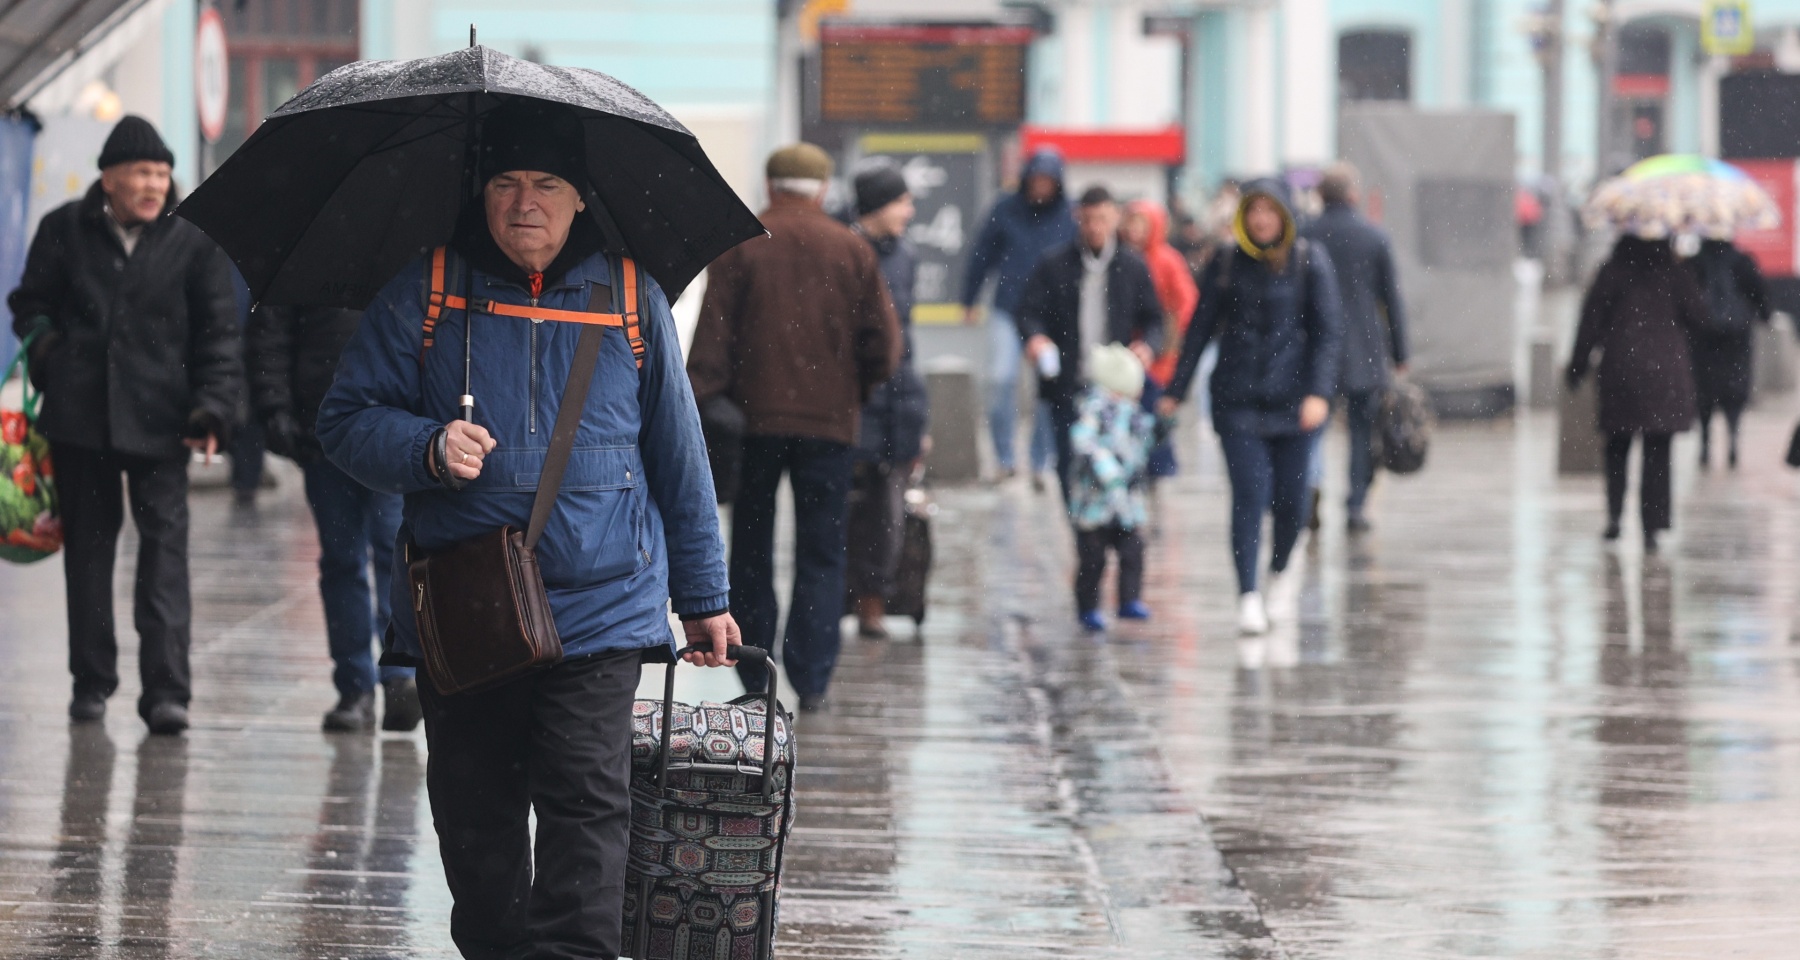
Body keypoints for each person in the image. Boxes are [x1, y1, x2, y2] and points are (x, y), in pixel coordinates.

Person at [316, 100, 742, 959]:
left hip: (604, 609)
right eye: (506, 183)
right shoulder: (429, 289)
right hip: (469, 613)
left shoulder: (629, 296)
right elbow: (345, 421)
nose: (525, 204)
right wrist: (427, 446)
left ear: (581, 197)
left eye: (547, 184)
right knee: (478, 825)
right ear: (481, 195)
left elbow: (678, 455)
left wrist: (703, 595)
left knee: (590, 806)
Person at [8, 115, 241, 735]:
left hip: (163, 423)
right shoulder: (64, 230)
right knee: (87, 556)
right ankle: (91, 683)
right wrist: (49, 354)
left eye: (161, 173)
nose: (153, 185)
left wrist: (213, 407)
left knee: (164, 561)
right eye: (141, 172)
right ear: (108, 177)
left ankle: (167, 692)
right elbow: (28, 304)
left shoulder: (193, 238)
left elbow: (219, 333)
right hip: (79, 422)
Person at [688, 143, 902, 712]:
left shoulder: (740, 246)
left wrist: (711, 400)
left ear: (769, 183)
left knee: (752, 549)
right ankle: (812, 679)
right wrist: (850, 392)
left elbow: (709, 347)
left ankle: (756, 678)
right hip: (830, 426)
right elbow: (884, 346)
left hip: (752, 427)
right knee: (822, 552)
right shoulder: (851, 248)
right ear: (824, 190)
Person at [1159, 179, 1344, 636]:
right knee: (1249, 496)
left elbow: (1328, 333)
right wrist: (1175, 391)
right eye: (1253, 210)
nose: (1261, 219)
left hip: (1295, 404)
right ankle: (1247, 594)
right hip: (1237, 402)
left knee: (1291, 502)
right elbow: (1199, 329)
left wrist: (1319, 393)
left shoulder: (1309, 261)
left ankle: (1280, 573)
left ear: (1284, 215)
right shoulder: (1226, 262)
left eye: (1270, 210)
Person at [247, 303, 420, 732]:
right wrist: (275, 408)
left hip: (390, 429)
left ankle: (397, 677)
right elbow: (271, 332)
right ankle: (357, 685)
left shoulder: (411, 255)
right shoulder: (307, 266)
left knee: (392, 555)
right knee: (347, 559)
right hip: (323, 429)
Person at [1017, 186, 1165, 502]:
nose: (1095, 227)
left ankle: (1114, 534)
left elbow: (1154, 319)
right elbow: (1029, 311)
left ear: (1114, 218)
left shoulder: (1132, 266)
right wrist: (1037, 338)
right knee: (1069, 464)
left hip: (1116, 389)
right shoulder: (1054, 264)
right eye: (1087, 220)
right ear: (1077, 219)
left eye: (1101, 219)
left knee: (1118, 465)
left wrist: (1147, 347)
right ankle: (1083, 538)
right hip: (1068, 383)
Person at [1568, 234, 1705, 552]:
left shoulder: (1612, 270)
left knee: (1617, 445)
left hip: (1621, 368)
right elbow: (1701, 317)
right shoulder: (1673, 271)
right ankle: (1652, 528)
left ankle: (1615, 516)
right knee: (1658, 451)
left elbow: (1589, 321)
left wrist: (1578, 365)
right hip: (1665, 373)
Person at [845, 160, 930, 640]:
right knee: (850, 511)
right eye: (902, 201)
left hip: (898, 398)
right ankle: (850, 600)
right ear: (878, 205)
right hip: (856, 400)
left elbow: (908, 339)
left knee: (887, 513)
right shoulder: (846, 250)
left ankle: (873, 602)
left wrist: (919, 416)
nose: (910, 210)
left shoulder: (905, 256)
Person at [1300, 162, 1410, 532]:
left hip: (1314, 348)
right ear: (1353, 194)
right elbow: (1391, 299)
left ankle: (1310, 486)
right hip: (1363, 348)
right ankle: (1356, 504)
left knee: (1312, 427)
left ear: (1319, 195)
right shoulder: (1373, 237)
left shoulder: (1305, 235)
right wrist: (1400, 352)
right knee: (1362, 432)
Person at [962, 148, 1075, 487]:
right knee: (1000, 381)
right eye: (1036, 179)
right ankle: (1004, 458)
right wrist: (969, 297)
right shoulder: (1006, 209)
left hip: (1050, 317)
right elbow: (982, 253)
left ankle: (1042, 461)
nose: (1041, 187)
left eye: (1048, 181)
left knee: (1047, 389)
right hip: (1008, 309)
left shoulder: (1068, 216)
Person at [1067, 344, 1172, 632]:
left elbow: (1147, 439)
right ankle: (1087, 607)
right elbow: (1082, 440)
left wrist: (1164, 425)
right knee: (1092, 560)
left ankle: (1129, 599)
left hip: (1127, 504)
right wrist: (1106, 469)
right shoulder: (1093, 408)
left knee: (1133, 552)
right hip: (1094, 505)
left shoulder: (1134, 413)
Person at [1121, 198, 1199, 481]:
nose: (1135, 231)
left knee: (1154, 408)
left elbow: (1187, 300)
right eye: (1132, 224)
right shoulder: (1123, 257)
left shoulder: (1167, 260)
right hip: (1130, 344)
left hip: (1161, 350)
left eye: (1142, 225)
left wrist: (1176, 329)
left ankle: (1157, 464)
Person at [1682, 236, 1771, 469]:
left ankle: (1704, 442)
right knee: (1734, 391)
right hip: (1736, 338)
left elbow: (1684, 304)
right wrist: (1762, 314)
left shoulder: (1693, 263)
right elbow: (1761, 299)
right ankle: (1732, 438)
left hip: (1702, 339)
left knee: (1704, 391)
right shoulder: (1743, 262)